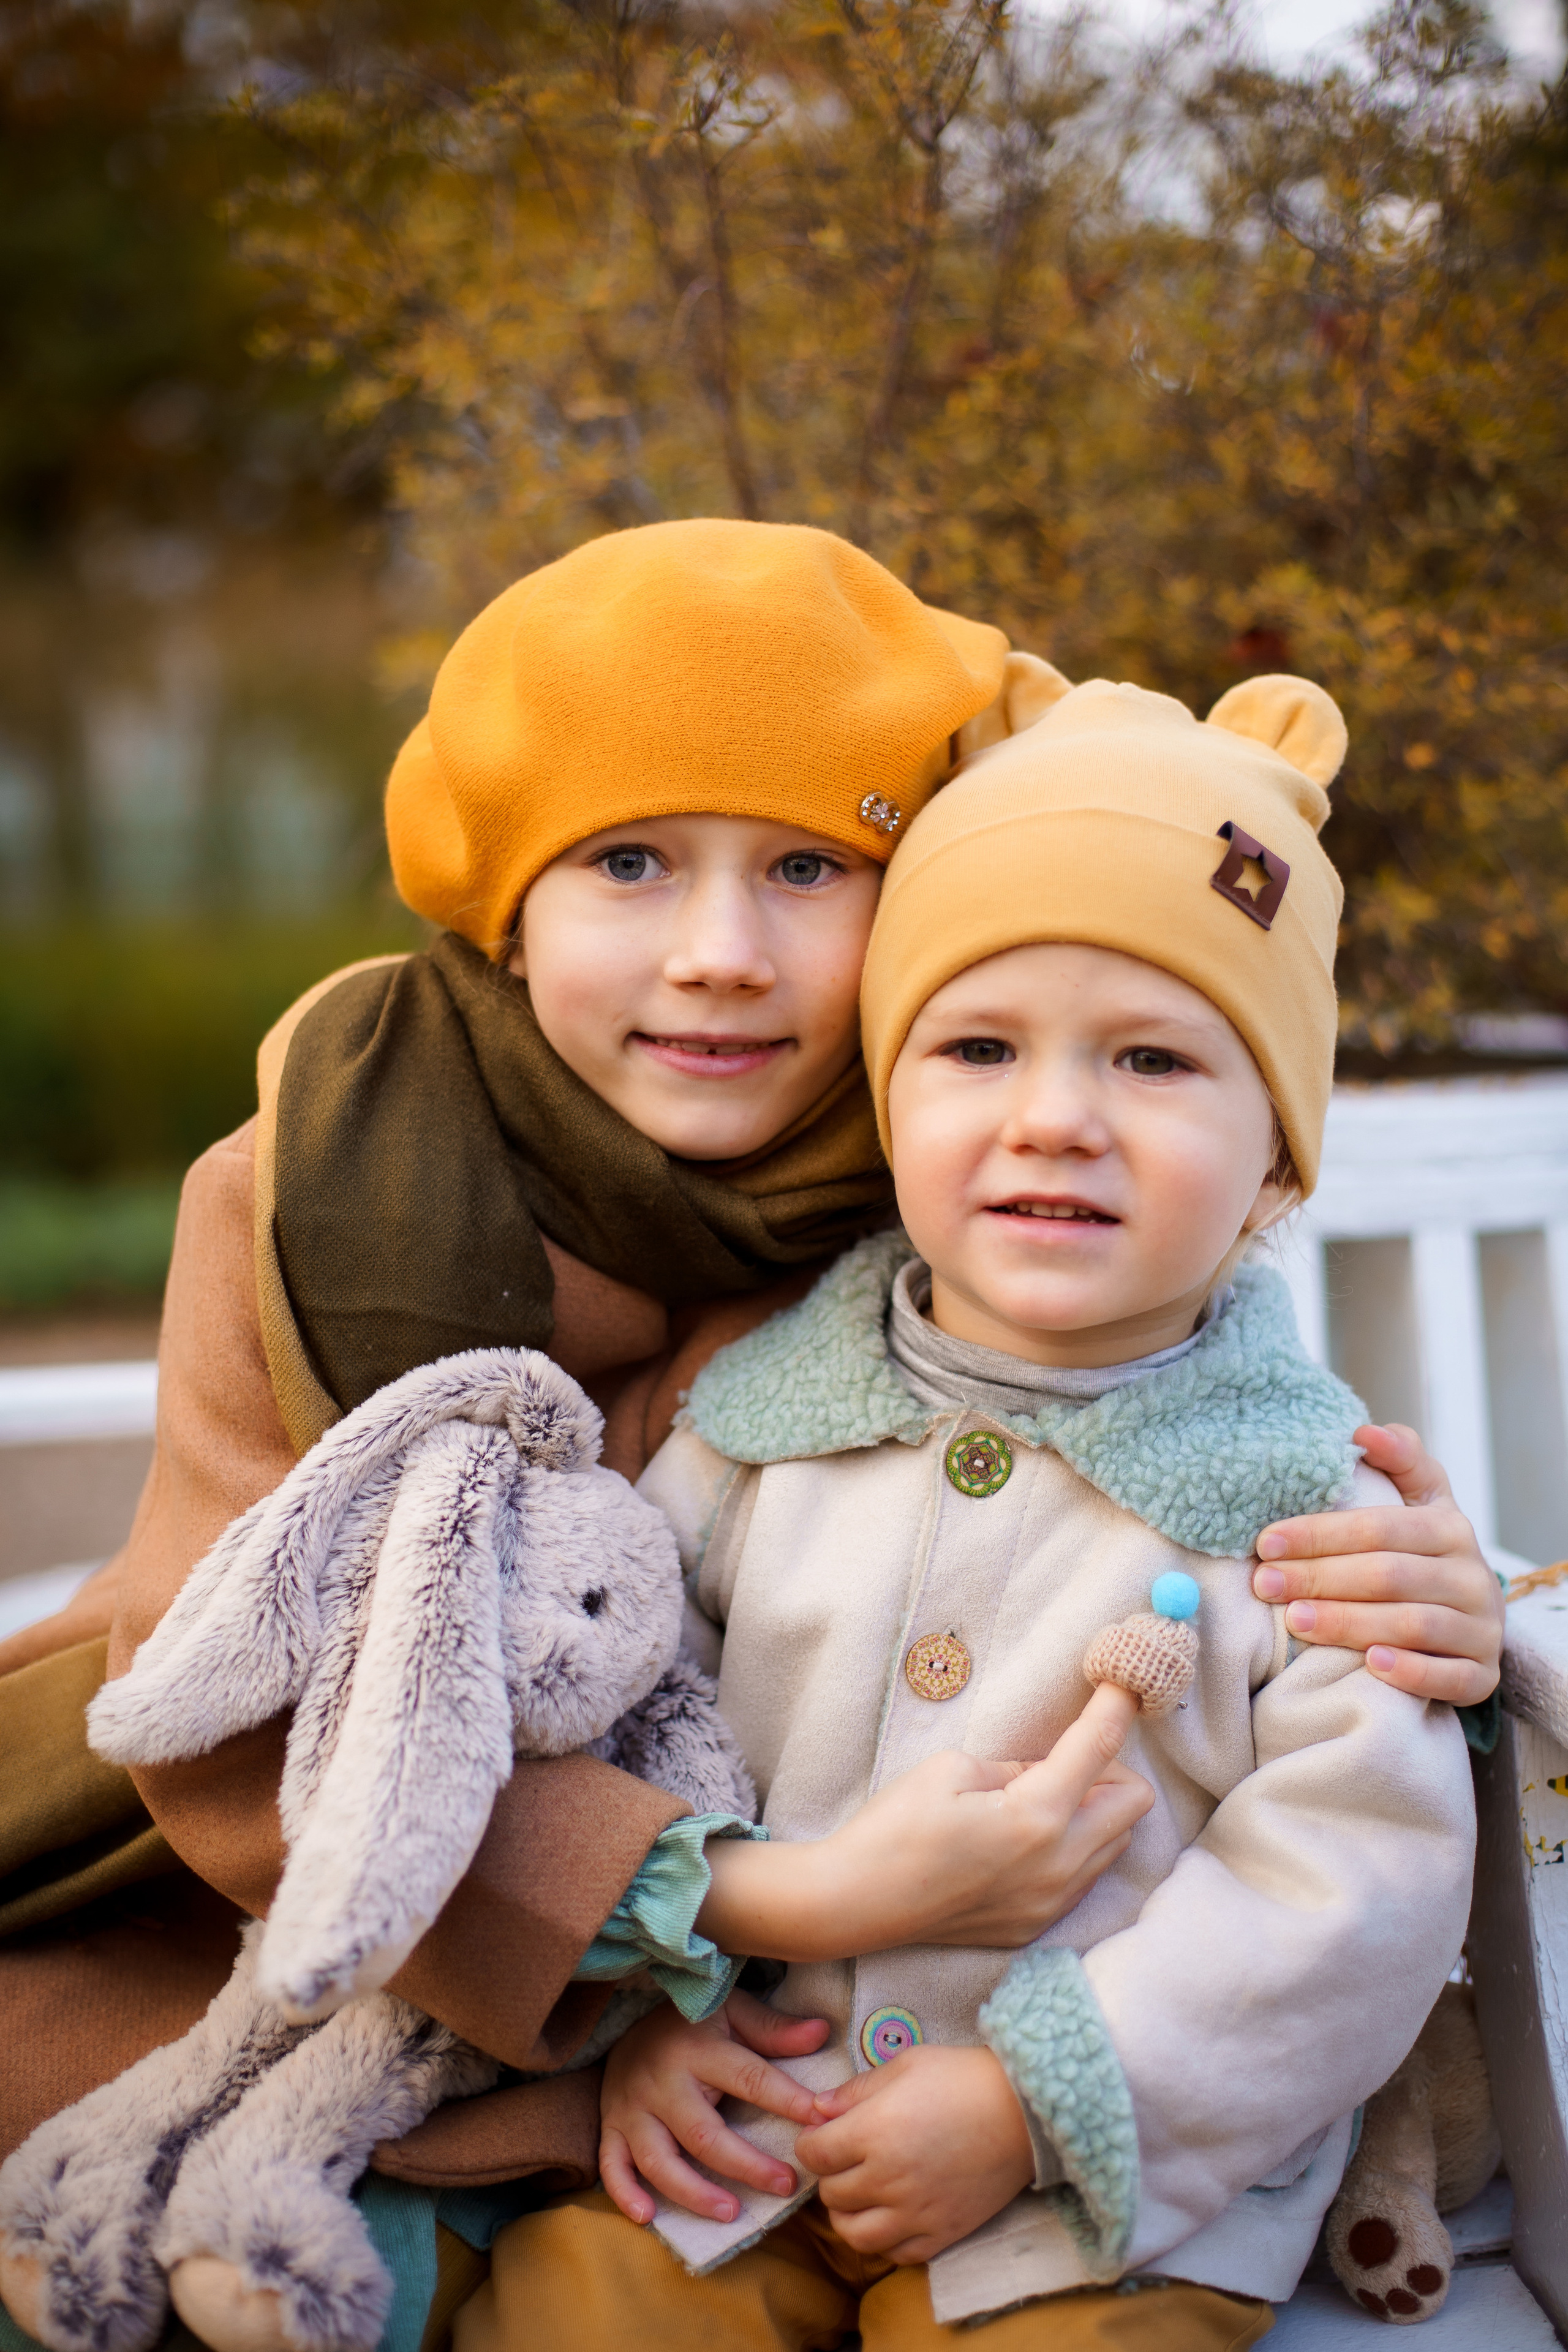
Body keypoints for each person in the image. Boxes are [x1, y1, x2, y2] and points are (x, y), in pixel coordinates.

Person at [0, 529, 1500, 2310]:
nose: (718, 955)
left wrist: (1459, 1606)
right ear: (505, 898)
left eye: (806, 864)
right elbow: (253, 1696)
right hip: (299, 1880)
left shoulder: (954, 1159)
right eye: (627, 861)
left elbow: (1243, 1531)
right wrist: (739, 1935)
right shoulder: (320, 1188)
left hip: (798, 2058)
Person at [470, 671, 1478, 2351]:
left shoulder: (1308, 1513)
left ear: (1282, 1167)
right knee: (581, 2305)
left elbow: (1354, 1883)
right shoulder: (752, 1431)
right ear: (890, 1098)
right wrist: (643, 2026)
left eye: (1154, 1059)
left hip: (1096, 2212)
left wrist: (1036, 2103)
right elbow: (625, 1726)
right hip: (752, 2138)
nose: (1056, 1118)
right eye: (980, 1047)